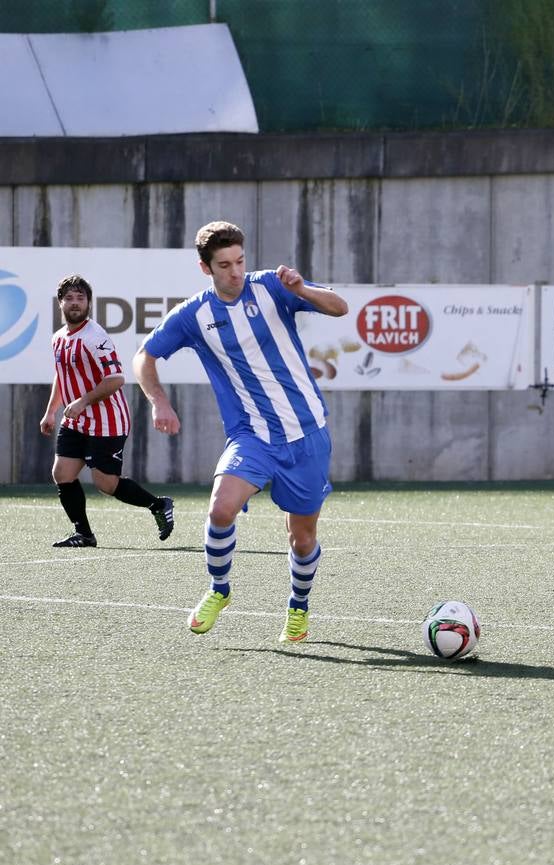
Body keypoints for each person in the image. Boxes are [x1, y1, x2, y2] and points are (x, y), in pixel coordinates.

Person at [133, 221, 348, 642]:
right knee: (219, 509)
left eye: (240, 261)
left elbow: (339, 307)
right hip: (251, 436)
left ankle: (298, 608)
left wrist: (302, 289)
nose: (236, 272)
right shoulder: (194, 315)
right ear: (205, 268)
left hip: (307, 436)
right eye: (224, 265)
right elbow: (144, 356)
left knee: (302, 538)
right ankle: (219, 589)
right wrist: (158, 399)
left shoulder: (272, 286)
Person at [40, 274, 174, 548]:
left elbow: (116, 379)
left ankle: (158, 504)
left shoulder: (95, 336)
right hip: (76, 421)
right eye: (69, 298)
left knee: (106, 484)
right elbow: (62, 375)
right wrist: (51, 411)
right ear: (60, 304)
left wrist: (82, 402)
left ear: (89, 303)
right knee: (62, 473)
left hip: (107, 422)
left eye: (80, 298)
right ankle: (84, 534)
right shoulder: (58, 338)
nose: (75, 303)